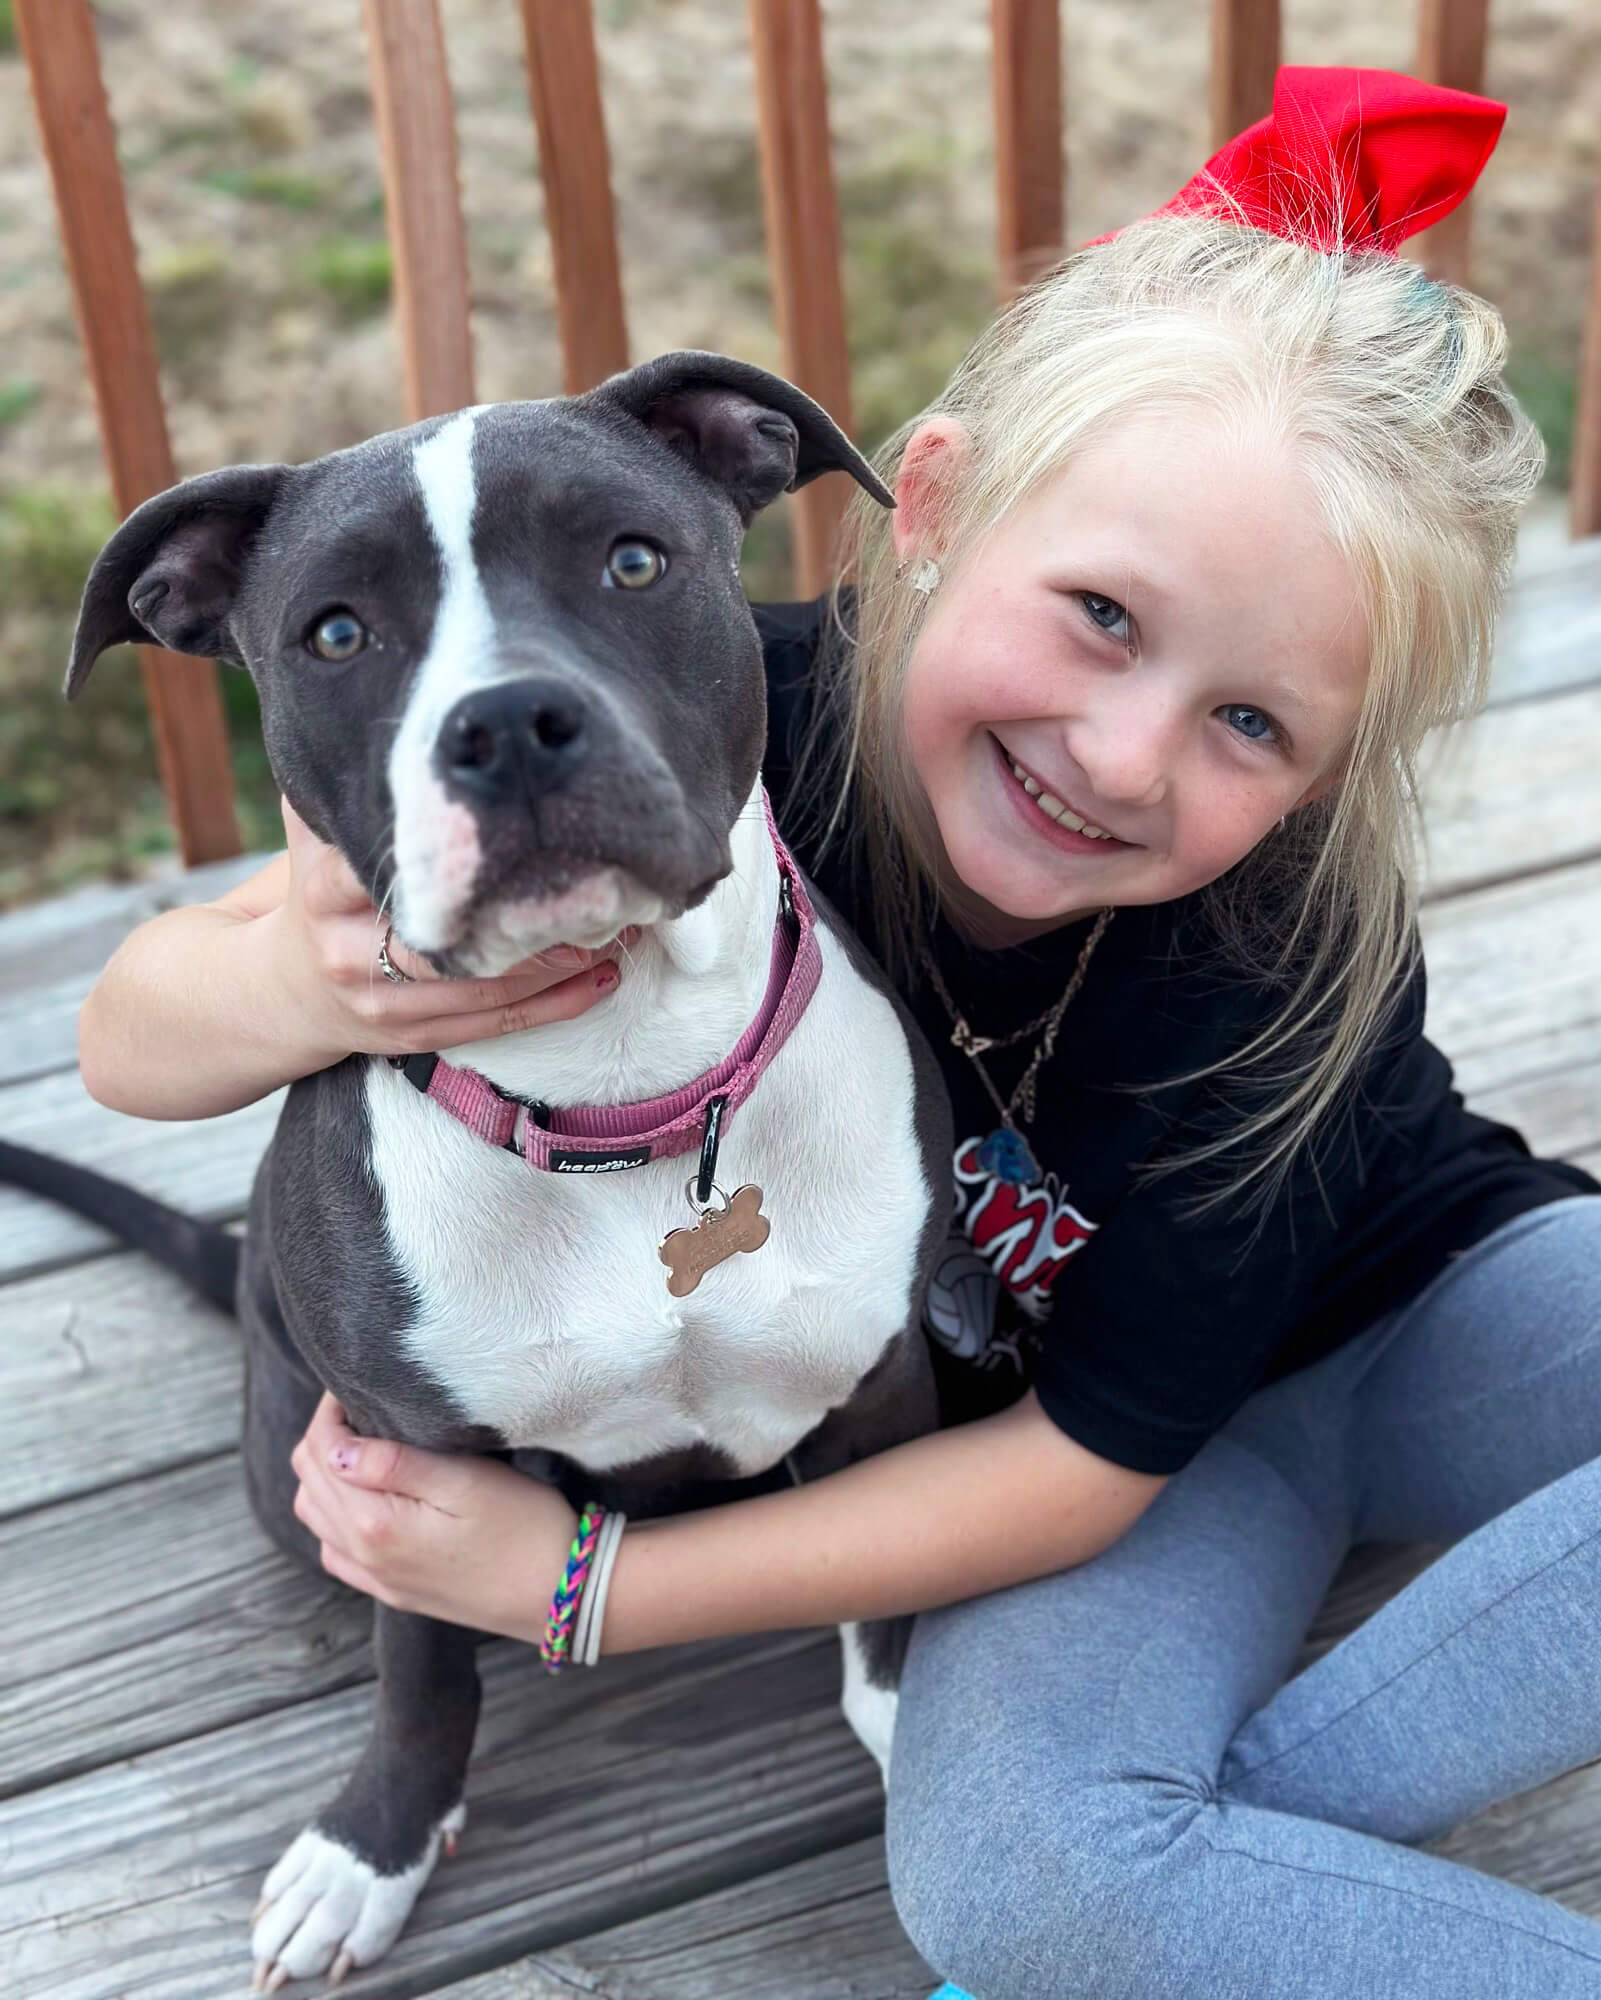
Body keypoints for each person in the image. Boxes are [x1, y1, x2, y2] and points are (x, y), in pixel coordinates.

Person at [78, 66, 1601, 2000]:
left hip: (1416, 1317)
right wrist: (315, 974)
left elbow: (1082, 1471)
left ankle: (1230, 1837)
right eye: (1102, 617)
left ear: (1329, 767)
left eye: (1252, 726)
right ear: (933, 509)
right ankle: (1193, 1857)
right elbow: (133, 1037)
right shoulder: (696, 729)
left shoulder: (1271, 947)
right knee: (1021, 1881)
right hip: (1104, 1475)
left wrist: (578, 1590)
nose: (1118, 755)